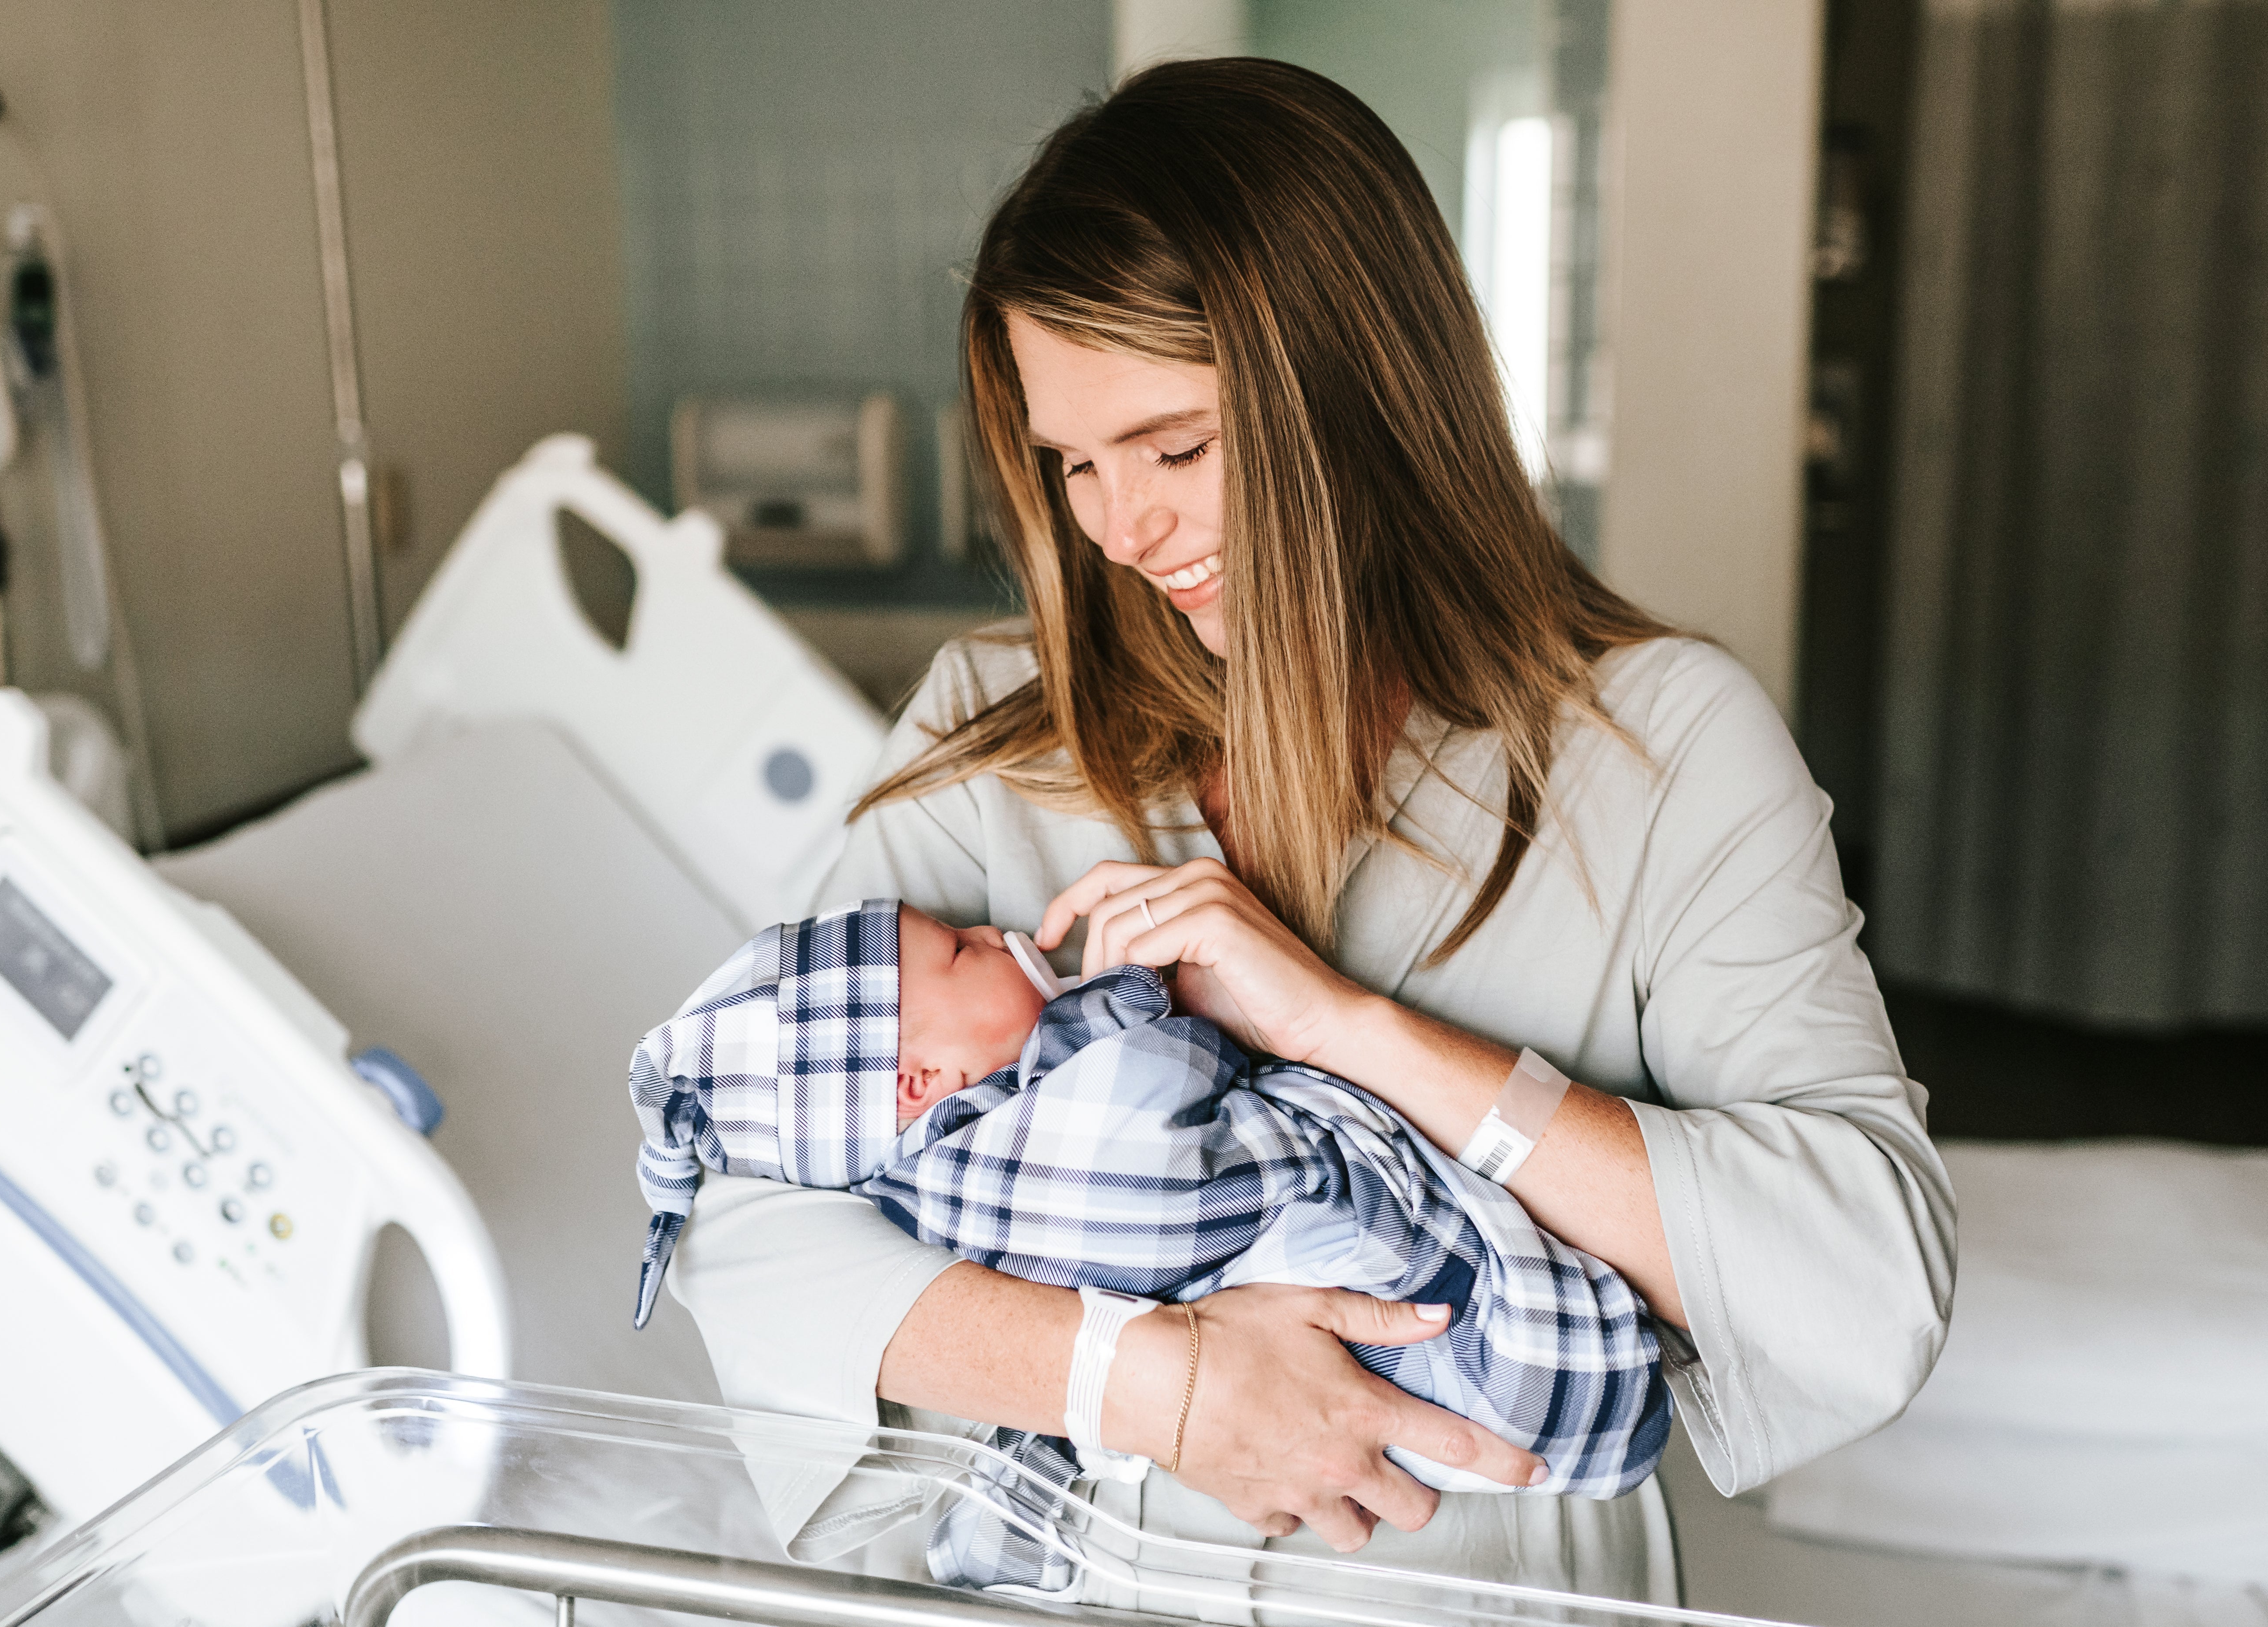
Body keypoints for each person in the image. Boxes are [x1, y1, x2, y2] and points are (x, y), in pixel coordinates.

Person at [663, 58, 1956, 1605]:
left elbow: (1861, 1285)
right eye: (1071, 463)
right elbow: (726, 1196)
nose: (1117, 528)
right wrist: (1150, 1382)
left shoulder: (1660, 747)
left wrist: (1360, 1033)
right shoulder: (991, 727)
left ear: (1356, 391)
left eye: (1174, 447)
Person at [625, 899, 1671, 1589]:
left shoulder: (982, 1080)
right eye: (957, 948)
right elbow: (1163, 1176)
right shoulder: (979, 1163)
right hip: (1334, 1432)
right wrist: (1134, 1005)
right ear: (917, 1085)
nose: (992, 930)